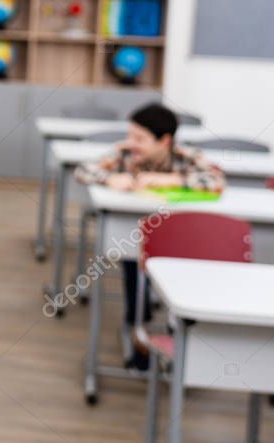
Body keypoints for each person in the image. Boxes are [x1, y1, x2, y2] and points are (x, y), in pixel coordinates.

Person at [74, 102, 225, 368]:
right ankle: (137, 330)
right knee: (133, 262)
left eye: (140, 138)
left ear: (164, 141)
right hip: (140, 235)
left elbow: (216, 181)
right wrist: (110, 179)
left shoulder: (185, 157)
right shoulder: (125, 155)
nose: (132, 143)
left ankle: (175, 332)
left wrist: (172, 180)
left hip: (181, 241)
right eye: (131, 135)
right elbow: (84, 170)